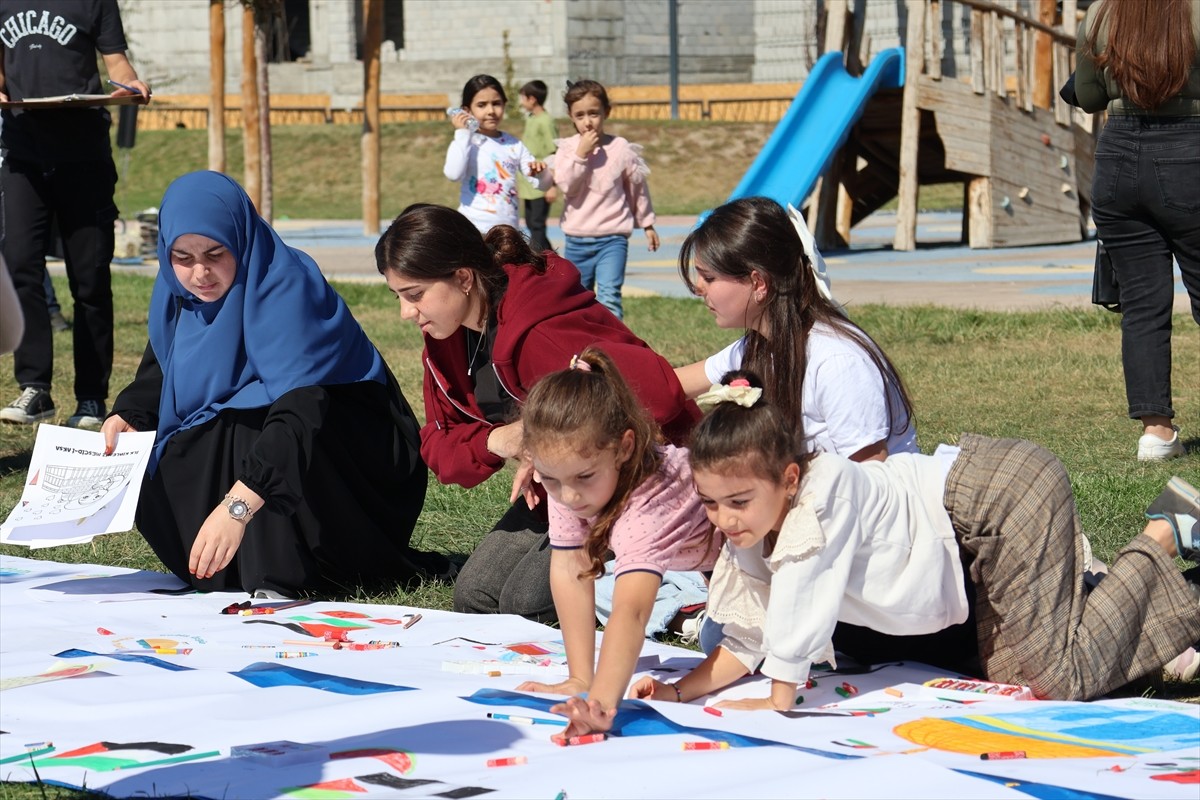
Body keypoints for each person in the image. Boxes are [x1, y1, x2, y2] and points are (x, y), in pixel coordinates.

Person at [600, 374, 1200, 729]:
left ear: (787, 478)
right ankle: (1105, 591)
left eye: (736, 501)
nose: (723, 520)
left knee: (1059, 678)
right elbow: (751, 633)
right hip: (972, 533)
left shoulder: (823, 491)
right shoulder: (756, 526)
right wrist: (680, 690)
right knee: (1018, 681)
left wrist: (779, 696)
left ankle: (1166, 531)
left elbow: (804, 595)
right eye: (709, 503)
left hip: (1003, 495)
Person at [101, 171, 448, 597]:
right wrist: (128, 414)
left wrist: (237, 507)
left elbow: (302, 407)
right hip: (279, 431)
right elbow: (164, 368)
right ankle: (226, 567)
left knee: (246, 423)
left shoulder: (285, 284)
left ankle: (286, 569)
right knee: (169, 444)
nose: (200, 273)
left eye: (215, 253)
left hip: (350, 450)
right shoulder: (179, 295)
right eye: (183, 257)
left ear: (241, 239)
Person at [374, 204, 698, 621]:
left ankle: (674, 575)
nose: (406, 312)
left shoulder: (541, 329)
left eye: (415, 295)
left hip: (633, 480)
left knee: (526, 604)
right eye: (398, 296)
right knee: (474, 596)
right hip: (560, 487)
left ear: (463, 278)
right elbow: (438, 445)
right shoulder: (443, 337)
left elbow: (654, 400)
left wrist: (541, 433)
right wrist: (505, 439)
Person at [512, 348, 719, 736]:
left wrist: (601, 704)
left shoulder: (650, 501)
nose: (569, 497)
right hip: (709, 563)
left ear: (624, 448)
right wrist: (579, 678)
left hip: (764, 549)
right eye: (550, 479)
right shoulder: (567, 475)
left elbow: (632, 611)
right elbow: (570, 569)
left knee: (757, 652)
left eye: (584, 478)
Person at [0, 0, 150, 429]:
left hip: (83, 153)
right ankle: (36, 390)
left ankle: (90, 399)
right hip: (22, 150)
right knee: (20, 266)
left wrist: (129, 84)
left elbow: (116, 62)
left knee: (90, 279)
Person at [675, 196, 916, 463]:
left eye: (709, 277)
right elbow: (671, 385)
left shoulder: (837, 361)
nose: (698, 287)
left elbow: (871, 479)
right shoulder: (759, 345)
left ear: (758, 283)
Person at [1075, 0, 1200, 461]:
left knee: (1143, 306)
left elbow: (1088, 98)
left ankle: (1156, 434)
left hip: (1118, 157)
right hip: (1189, 149)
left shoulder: (1101, 13)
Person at [553, 79, 659, 320]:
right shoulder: (567, 149)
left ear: (606, 113)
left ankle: (612, 353)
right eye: (580, 115)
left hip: (612, 240)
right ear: (571, 117)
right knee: (577, 300)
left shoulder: (620, 148)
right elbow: (567, 186)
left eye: (594, 113)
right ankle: (583, 350)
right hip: (576, 240)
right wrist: (581, 155)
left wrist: (647, 223)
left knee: (609, 297)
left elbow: (637, 188)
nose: (587, 121)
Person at [445, 74, 549, 235]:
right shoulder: (465, 141)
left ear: (504, 105)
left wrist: (541, 173)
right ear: (467, 110)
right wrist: (461, 132)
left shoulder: (514, 144)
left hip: (508, 234)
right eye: (482, 105)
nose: (491, 111)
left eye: (496, 103)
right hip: (474, 231)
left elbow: (542, 184)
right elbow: (453, 174)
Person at [517, 79, 558, 252]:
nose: (521, 102)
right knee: (530, 223)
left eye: (523, 98)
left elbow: (554, 152)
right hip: (528, 183)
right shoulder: (531, 118)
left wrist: (552, 185)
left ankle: (544, 262)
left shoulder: (545, 121)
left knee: (537, 225)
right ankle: (550, 260)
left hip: (541, 182)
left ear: (532, 99)